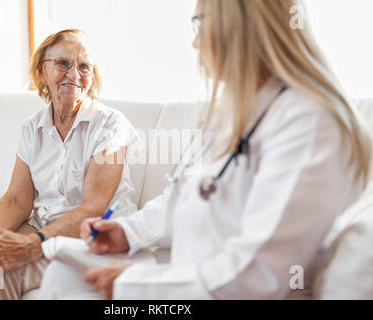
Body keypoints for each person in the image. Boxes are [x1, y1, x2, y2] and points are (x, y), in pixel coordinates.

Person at [38, 0, 371, 300]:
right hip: (195, 281)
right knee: (63, 275)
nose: (195, 42)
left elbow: (260, 273)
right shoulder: (236, 112)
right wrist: (127, 231)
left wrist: (135, 285)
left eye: (200, 23)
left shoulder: (309, 122)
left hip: (231, 292)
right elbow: (187, 195)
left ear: (240, 26)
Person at [0, 29, 140, 299]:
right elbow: (16, 200)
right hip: (39, 227)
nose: (74, 73)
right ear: (42, 70)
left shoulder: (111, 125)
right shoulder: (32, 127)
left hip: (89, 240)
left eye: (84, 66)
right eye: (63, 63)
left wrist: (29, 244)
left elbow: (93, 209)